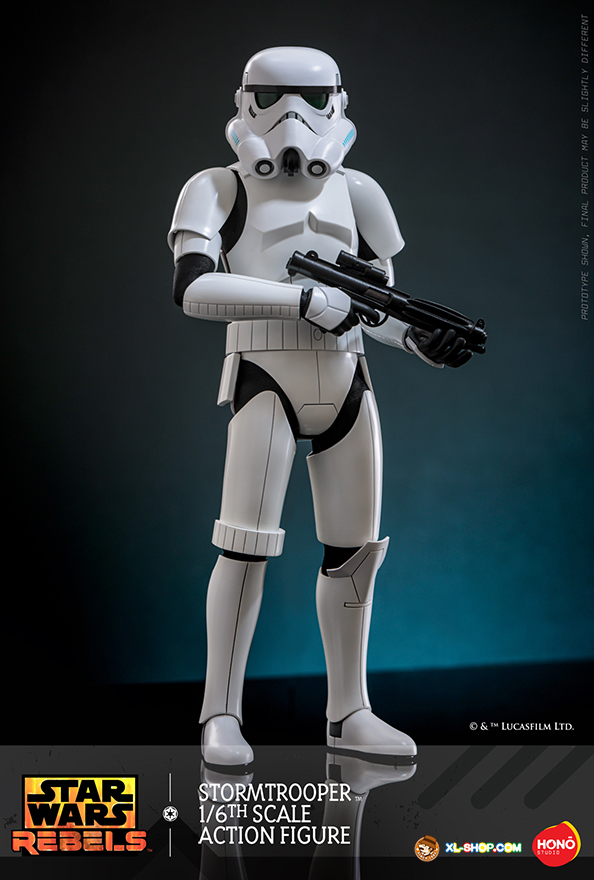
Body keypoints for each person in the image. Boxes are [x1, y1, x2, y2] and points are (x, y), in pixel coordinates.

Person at [168, 46, 470, 768]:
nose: (292, 117)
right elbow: (192, 289)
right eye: (273, 97)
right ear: (245, 103)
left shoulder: (359, 193)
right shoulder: (216, 188)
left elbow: (377, 305)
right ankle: (221, 713)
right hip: (263, 377)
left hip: (347, 380)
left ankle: (349, 710)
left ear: (338, 102)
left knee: (354, 555)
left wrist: (419, 340)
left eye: (310, 99)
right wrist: (300, 299)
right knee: (244, 548)